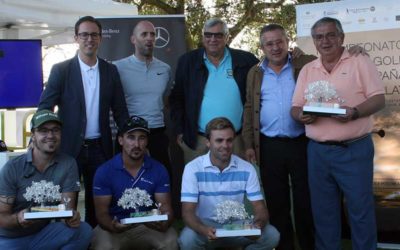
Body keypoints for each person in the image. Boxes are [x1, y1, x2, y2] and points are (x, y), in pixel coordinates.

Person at [291, 17, 385, 250]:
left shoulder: (359, 60)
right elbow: (295, 107)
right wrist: (301, 115)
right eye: (319, 36)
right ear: (313, 41)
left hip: (354, 149)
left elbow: (378, 99)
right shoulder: (307, 69)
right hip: (318, 152)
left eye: (331, 35)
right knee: (323, 213)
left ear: (342, 37)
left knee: (360, 211)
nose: (325, 41)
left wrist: (355, 112)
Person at [38, 16, 129, 227]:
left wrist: (131, 138)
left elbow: (120, 111)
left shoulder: (110, 71)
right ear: (76, 38)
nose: (90, 39)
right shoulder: (61, 70)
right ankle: (61, 238)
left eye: (94, 34)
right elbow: (45, 107)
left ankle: (94, 240)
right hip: (69, 147)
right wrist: (43, 137)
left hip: (100, 148)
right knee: (63, 201)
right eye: (84, 34)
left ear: (100, 38)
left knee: (98, 203)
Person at [242, 24, 316, 250]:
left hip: (301, 142)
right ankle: (284, 246)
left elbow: (328, 59)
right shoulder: (255, 73)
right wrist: (248, 144)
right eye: (269, 43)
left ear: (287, 41)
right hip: (269, 145)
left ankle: (309, 245)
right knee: (277, 201)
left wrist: (354, 51)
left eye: (279, 42)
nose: (275, 47)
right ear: (262, 47)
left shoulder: (305, 64)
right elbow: (249, 107)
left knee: (305, 200)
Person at [179, 117, 280, 249]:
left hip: (237, 226)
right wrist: (203, 229)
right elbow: (187, 213)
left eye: (229, 140)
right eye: (219, 140)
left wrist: (257, 226)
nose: (225, 146)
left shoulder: (246, 168)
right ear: (208, 142)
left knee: (272, 235)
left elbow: (260, 208)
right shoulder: (192, 168)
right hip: (206, 227)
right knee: (187, 239)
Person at [169, 17, 259, 163]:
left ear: (227, 37)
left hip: (236, 140)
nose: (213, 39)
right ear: (203, 36)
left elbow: (269, 69)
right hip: (198, 141)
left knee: (236, 183)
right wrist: (180, 130)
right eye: (208, 35)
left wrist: (292, 56)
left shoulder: (245, 60)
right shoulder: (187, 61)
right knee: (200, 183)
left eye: (218, 35)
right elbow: (176, 98)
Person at [0, 110, 92, 249]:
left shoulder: (68, 164)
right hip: (9, 239)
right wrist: (17, 218)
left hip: (42, 235)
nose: (50, 135)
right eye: (43, 130)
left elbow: (66, 211)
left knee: (83, 230)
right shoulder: (13, 167)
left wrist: (71, 218)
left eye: (55, 130)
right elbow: (1, 216)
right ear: (33, 135)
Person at [91, 116, 178, 250]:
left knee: (171, 240)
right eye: (131, 137)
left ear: (147, 141)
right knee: (103, 246)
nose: (136, 144)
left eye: (141, 138)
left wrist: (164, 222)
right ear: (120, 140)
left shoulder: (159, 169)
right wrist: (111, 225)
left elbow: (166, 208)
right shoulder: (105, 171)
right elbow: (101, 213)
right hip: (116, 225)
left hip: (147, 226)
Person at [114, 20, 172, 176]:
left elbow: (166, 100)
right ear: (133, 39)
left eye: (152, 34)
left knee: (163, 182)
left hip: (157, 133)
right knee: (126, 185)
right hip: (130, 134)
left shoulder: (165, 69)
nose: (149, 38)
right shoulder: (117, 67)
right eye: (144, 34)